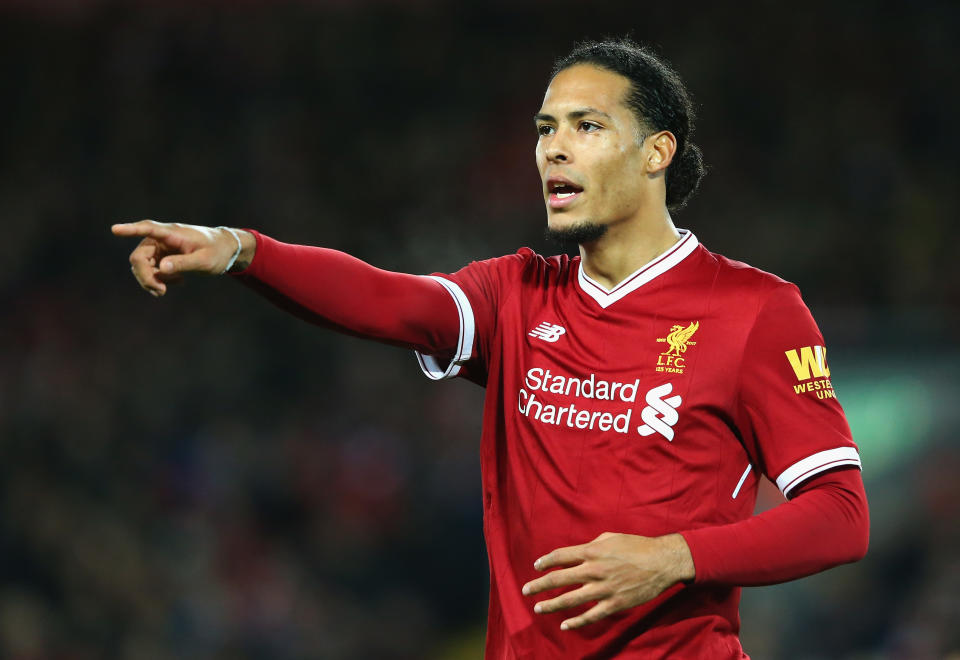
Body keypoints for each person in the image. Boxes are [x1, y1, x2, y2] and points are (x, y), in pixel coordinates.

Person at [113, 39, 869, 659]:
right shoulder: (517, 295)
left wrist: (676, 557)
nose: (553, 151)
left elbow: (840, 514)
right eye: (545, 129)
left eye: (586, 126)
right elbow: (388, 300)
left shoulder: (754, 310)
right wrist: (243, 249)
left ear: (656, 152)